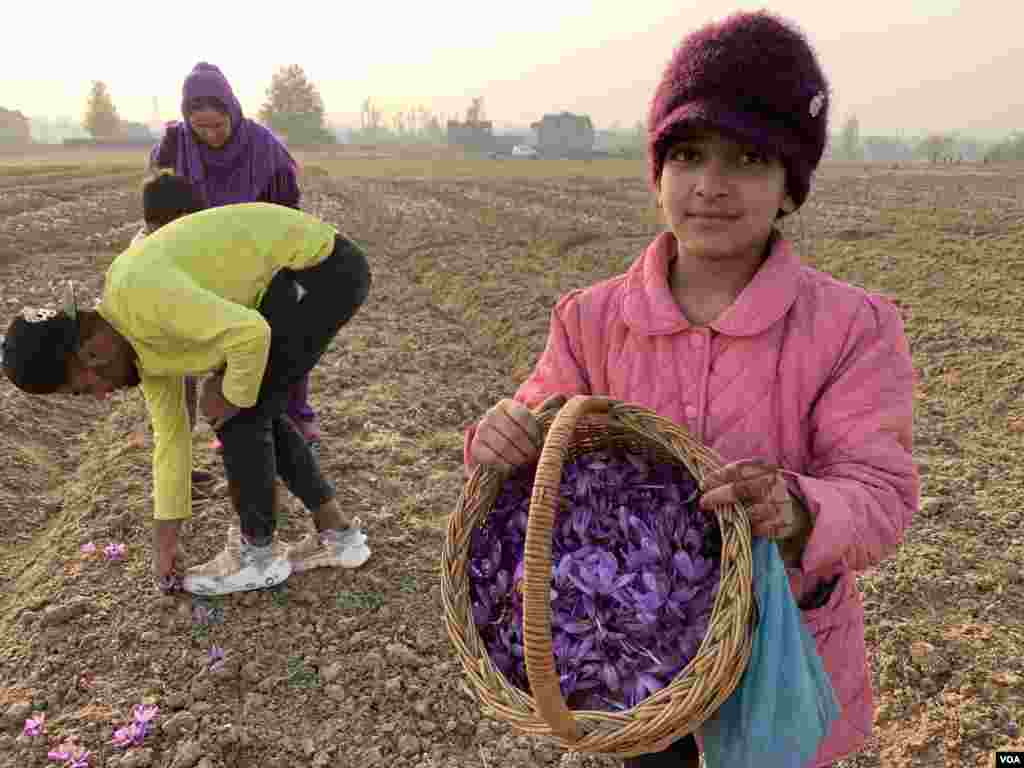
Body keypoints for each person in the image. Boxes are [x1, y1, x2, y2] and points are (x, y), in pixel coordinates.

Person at [464, 11, 918, 768]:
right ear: (658, 173)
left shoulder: (852, 328)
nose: (710, 186)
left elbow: (882, 493)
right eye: (687, 154)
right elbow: (538, 437)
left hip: (779, 660)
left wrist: (799, 507)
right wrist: (500, 438)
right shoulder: (590, 321)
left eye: (746, 158)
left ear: (789, 188)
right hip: (633, 664)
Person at [2, 176, 373, 596]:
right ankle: (340, 538)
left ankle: (260, 555)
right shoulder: (139, 350)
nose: (102, 396)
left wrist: (228, 393)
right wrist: (165, 542)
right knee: (252, 404)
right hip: (291, 281)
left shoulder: (141, 296)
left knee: (238, 407)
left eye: (83, 389)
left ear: (91, 353)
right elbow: (172, 438)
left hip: (316, 269)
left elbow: (250, 334)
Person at [145, 61, 320, 450]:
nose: (209, 135)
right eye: (200, 128)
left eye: (217, 126)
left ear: (233, 112)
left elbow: (288, 208)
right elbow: (158, 202)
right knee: (216, 346)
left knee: (279, 337)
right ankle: (231, 427)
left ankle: (295, 421)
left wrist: (279, 260)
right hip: (198, 261)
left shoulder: (265, 149)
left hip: (259, 261)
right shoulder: (174, 147)